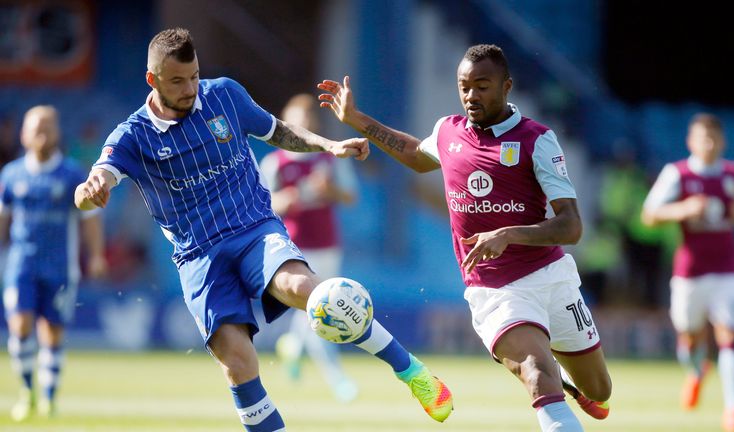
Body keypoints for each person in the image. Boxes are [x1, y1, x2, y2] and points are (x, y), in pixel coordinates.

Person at [73, 28, 453, 431]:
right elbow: (96, 180)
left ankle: (411, 372)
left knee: (314, 293)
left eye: (194, 76)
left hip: (255, 229)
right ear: (153, 80)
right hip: (198, 255)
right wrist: (89, 190)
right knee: (238, 363)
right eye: (178, 81)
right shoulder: (132, 135)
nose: (190, 88)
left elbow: (279, 131)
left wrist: (328, 146)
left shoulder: (224, 95)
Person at [318, 44, 612, 432]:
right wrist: (356, 119)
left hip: (551, 277)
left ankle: (568, 377)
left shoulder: (536, 141)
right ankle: (544, 366)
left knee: (600, 388)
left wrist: (508, 234)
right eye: (464, 86)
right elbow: (414, 153)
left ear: (507, 86)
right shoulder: (448, 131)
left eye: (482, 86)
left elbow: (571, 226)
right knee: (536, 371)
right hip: (494, 289)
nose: (471, 95)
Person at [642, 113, 734, 432]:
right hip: (690, 271)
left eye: (715, 138)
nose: (710, 144)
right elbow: (649, 215)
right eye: (704, 138)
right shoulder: (678, 173)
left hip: (728, 268)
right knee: (689, 337)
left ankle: (733, 410)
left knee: (730, 335)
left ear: (723, 141)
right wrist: (684, 209)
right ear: (691, 142)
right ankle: (697, 371)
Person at [1, 105, 107, 420]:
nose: (42, 133)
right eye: (36, 127)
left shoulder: (73, 174)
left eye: (48, 126)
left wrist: (97, 255)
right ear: (24, 134)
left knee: (52, 332)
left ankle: (49, 397)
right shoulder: (11, 175)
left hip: (60, 267)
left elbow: (90, 219)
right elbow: (3, 221)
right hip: (21, 265)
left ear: (58, 133)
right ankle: (27, 391)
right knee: (19, 325)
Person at [261, 93, 359, 402]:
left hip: (327, 244)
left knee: (313, 312)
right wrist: (284, 201)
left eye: (307, 120)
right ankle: (338, 380)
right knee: (319, 311)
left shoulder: (327, 158)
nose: (302, 124)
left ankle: (292, 346)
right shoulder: (274, 162)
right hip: (291, 248)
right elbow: (263, 205)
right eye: (296, 120)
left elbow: (350, 196)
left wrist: (329, 190)